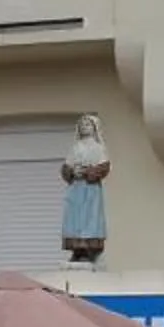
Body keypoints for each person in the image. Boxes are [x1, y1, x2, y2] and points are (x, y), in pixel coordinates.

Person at [60, 113, 110, 264]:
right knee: (75, 219)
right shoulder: (75, 147)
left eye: (87, 124)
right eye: (82, 125)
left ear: (94, 128)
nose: (84, 127)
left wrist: (88, 172)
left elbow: (104, 166)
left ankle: (90, 248)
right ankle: (77, 249)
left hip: (90, 189)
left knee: (91, 218)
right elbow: (66, 167)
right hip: (76, 189)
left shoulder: (98, 148)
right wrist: (72, 172)